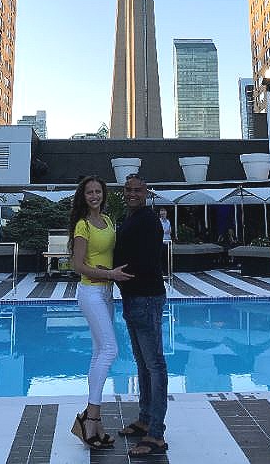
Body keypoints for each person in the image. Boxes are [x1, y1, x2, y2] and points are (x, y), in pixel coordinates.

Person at [68, 174, 133, 449]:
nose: (94, 196)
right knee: (110, 350)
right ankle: (91, 415)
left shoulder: (107, 221)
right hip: (91, 292)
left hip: (106, 292)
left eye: (98, 191)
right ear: (83, 197)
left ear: (103, 195)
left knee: (98, 353)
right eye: (89, 192)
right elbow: (77, 266)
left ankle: (91, 420)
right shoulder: (83, 226)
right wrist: (111, 275)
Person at [114, 173, 168, 458]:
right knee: (143, 364)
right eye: (128, 189)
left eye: (137, 189)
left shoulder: (148, 221)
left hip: (145, 297)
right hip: (133, 298)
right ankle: (145, 417)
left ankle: (156, 433)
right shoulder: (132, 218)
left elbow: (146, 261)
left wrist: (118, 273)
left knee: (154, 364)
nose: (132, 193)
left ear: (146, 192)